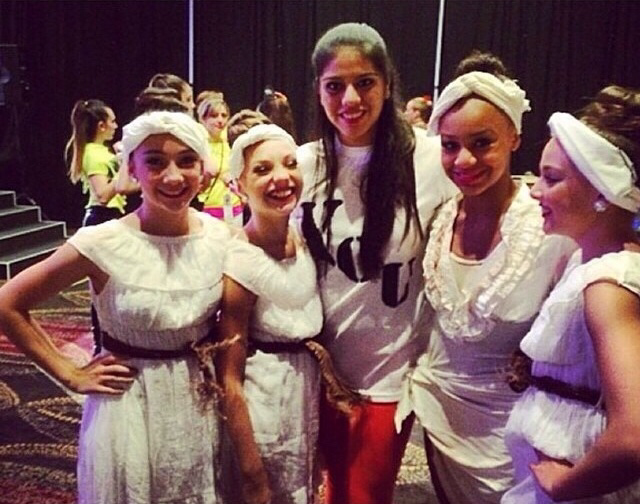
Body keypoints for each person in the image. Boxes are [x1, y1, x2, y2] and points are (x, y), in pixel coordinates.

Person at [0, 110, 230, 503]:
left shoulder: (220, 236)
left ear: (202, 169)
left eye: (186, 161)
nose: (173, 177)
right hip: (128, 405)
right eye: (155, 162)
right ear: (132, 169)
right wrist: (70, 374)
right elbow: (8, 303)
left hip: (198, 404)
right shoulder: (102, 242)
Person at [394, 52, 575, 504]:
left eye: (482, 142)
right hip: (440, 416)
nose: (464, 159)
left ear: (514, 137)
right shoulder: (438, 220)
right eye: (450, 145)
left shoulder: (548, 231)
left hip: (515, 433)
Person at [296, 22, 457, 504]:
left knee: (366, 495)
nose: (350, 99)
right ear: (318, 91)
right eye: (335, 86)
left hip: (388, 374)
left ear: (387, 84)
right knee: (325, 492)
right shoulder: (301, 165)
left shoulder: (430, 160)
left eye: (364, 82)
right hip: (311, 371)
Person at [502, 85, 640, 503]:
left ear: (602, 191)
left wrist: (566, 486)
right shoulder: (587, 262)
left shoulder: (607, 284)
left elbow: (634, 435)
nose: (533, 190)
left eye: (552, 178)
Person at [216, 124, 324, 504]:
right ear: (239, 185)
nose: (282, 177)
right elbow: (229, 377)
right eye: (262, 170)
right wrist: (251, 470)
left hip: (303, 401)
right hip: (263, 408)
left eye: (290, 164)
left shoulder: (304, 238)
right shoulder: (242, 260)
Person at [65, 99, 128, 226]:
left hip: (111, 215)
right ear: (101, 126)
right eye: (112, 121)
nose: (116, 126)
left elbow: (123, 186)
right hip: (101, 217)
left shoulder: (102, 151)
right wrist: (125, 163)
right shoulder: (93, 154)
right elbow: (103, 196)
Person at [195, 93, 244, 225]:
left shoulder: (231, 141)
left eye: (224, 115)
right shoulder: (197, 144)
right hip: (207, 208)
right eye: (214, 115)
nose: (220, 120)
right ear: (202, 118)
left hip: (234, 207)